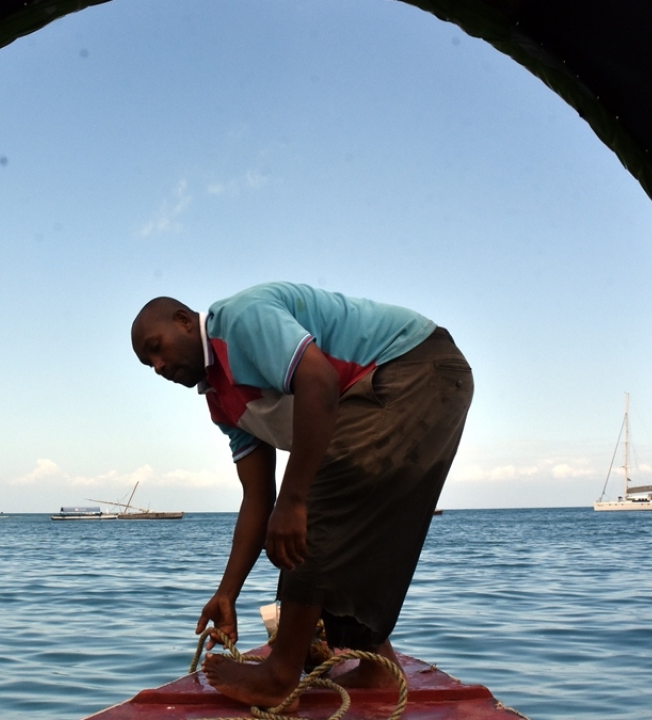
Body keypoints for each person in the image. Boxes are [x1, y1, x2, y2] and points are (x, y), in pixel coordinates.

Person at [131, 282, 473, 709]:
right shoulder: (222, 401)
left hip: (415, 365)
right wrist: (227, 592)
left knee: (314, 509)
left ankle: (280, 675)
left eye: (156, 348)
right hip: (410, 382)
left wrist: (294, 502)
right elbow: (257, 497)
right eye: (149, 363)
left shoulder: (238, 320)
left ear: (184, 321)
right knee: (340, 527)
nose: (159, 366)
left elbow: (319, 380)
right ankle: (378, 667)